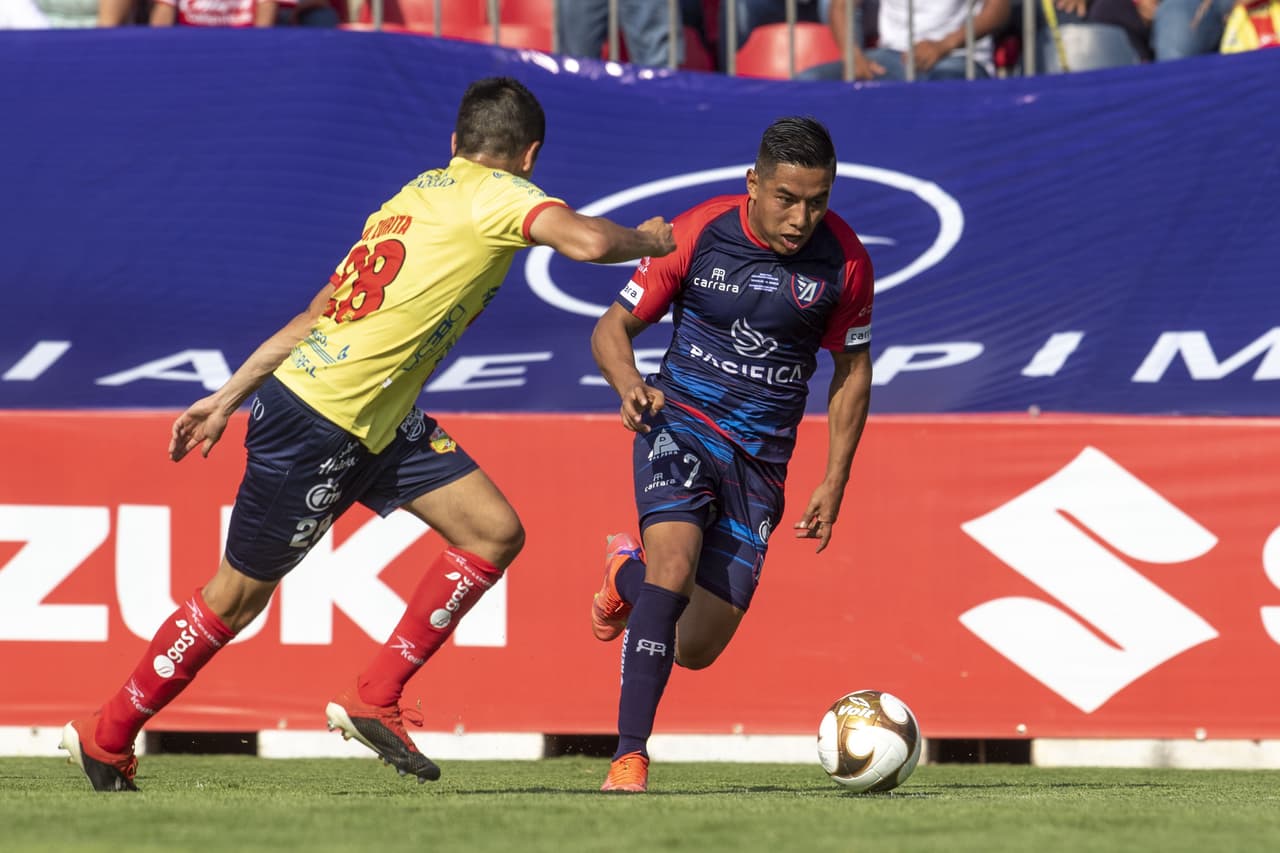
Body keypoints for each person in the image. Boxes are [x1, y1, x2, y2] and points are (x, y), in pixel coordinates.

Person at [59, 76, 675, 793]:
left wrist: (228, 395)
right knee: (235, 598)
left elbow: (324, 309)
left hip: (371, 417)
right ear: (530, 156)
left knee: (492, 530)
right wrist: (650, 240)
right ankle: (106, 734)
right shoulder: (501, 195)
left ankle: (374, 695)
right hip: (321, 421)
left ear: (454, 144)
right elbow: (591, 239)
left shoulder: (409, 201)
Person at [588, 116, 873, 793]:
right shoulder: (699, 232)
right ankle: (630, 756)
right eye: (786, 197)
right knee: (676, 566)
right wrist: (630, 383)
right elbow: (611, 329)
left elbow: (852, 371)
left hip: (760, 465)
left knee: (695, 646)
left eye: (817, 200)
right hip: (678, 425)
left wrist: (834, 479)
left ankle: (623, 576)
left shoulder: (846, 261)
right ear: (753, 183)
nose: (802, 217)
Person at [800, 0, 1010, 80]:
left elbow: (999, 10)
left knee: (944, 86)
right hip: (892, 59)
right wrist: (853, 56)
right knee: (809, 82)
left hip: (960, 58)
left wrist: (944, 45)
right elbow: (841, 6)